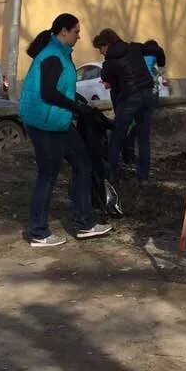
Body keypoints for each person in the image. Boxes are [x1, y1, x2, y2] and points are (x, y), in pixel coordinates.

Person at [19, 13, 113, 247]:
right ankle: (38, 232)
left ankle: (85, 224)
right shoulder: (52, 56)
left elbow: (63, 89)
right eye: (76, 32)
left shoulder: (60, 53)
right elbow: (48, 92)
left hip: (57, 121)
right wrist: (78, 109)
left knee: (83, 165)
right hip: (45, 123)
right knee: (47, 176)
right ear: (63, 31)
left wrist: (78, 103)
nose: (79, 36)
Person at [92, 29, 163, 182]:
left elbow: (105, 76)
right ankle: (143, 177)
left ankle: (111, 176)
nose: (101, 52)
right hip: (147, 94)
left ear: (108, 44)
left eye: (101, 48)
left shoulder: (110, 60)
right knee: (144, 138)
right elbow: (156, 49)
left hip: (130, 98)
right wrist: (161, 61)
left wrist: (108, 68)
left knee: (116, 136)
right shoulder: (134, 47)